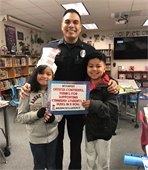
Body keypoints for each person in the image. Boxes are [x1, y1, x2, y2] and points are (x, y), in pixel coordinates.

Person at [20, 9, 118, 170]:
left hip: (78, 105)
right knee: (56, 143)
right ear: (62, 25)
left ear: (80, 27)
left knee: (76, 142)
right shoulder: (51, 48)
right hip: (56, 105)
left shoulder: (89, 50)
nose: (71, 25)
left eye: (75, 22)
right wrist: (28, 85)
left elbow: (97, 71)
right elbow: (40, 71)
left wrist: (112, 82)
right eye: (67, 22)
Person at [16, 61, 63, 170]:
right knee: (39, 165)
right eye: (41, 73)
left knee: (52, 165)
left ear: (53, 76)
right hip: (35, 138)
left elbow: (60, 112)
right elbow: (20, 117)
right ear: (36, 73)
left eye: (48, 74)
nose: (45, 76)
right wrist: (36, 114)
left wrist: (54, 119)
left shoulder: (56, 91)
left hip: (52, 137)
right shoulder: (27, 92)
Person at [82, 50, 119, 170]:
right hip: (89, 129)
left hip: (104, 129)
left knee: (103, 162)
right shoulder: (83, 85)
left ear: (104, 68)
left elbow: (110, 111)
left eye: (98, 66)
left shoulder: (110, 86)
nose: (94, 69)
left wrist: (93, 104)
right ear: (86, 68)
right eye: (90, 66)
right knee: (90, 159)